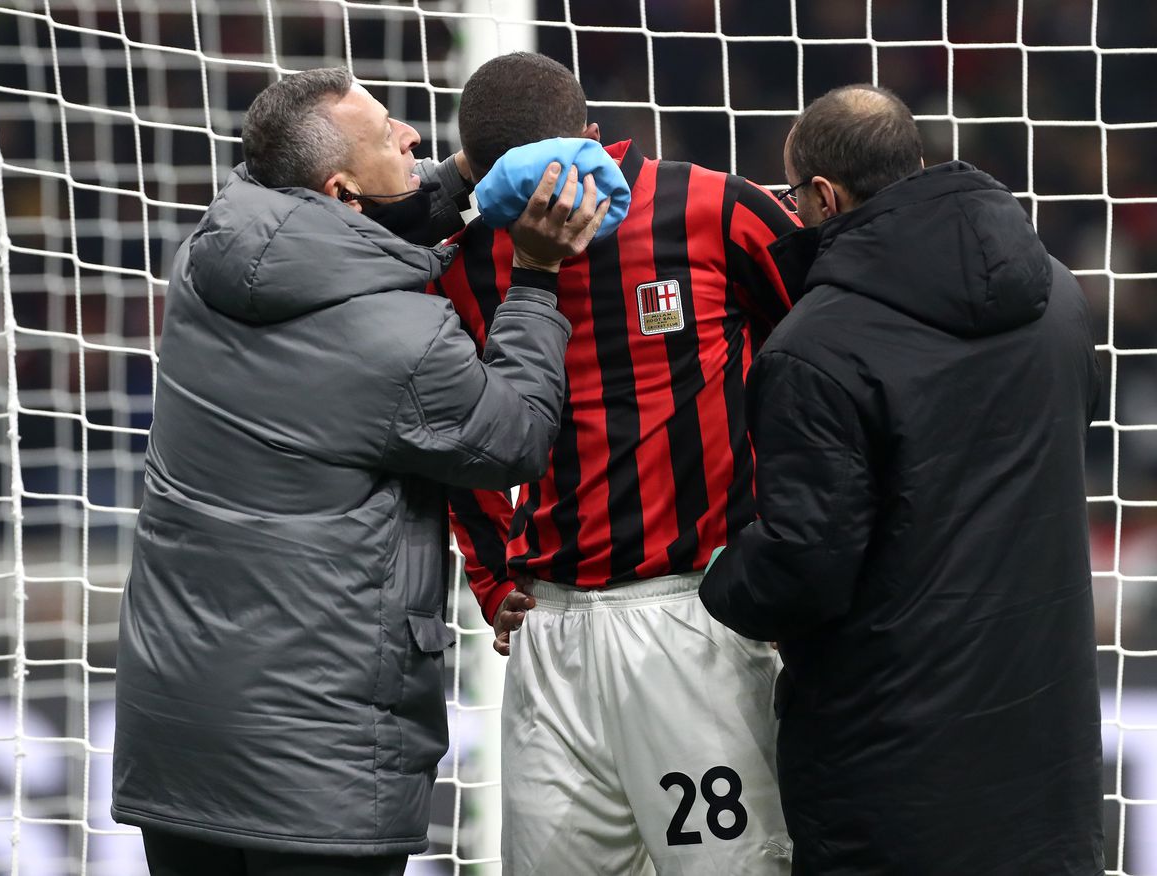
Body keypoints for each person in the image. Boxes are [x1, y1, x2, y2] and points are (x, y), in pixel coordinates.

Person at [111, 67, 608, 876]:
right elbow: (512, 436)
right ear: (343, 190)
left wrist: (464, 180)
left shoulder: (207, 256)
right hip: (316, 759)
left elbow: (339, 241)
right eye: (388, 135)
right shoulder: (402, 341)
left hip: (177, 732)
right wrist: (537, 277)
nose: (413, 137)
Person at [700, 84, 1105, 875]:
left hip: (893, 761)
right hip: (1045, 741)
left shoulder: (812, 347)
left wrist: (720, 580)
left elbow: (805, 568)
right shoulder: (1057, 291)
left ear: (821, 195)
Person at [433, 52, 800, 875]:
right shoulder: (463, 263)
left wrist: (794, 551)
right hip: (551, 630)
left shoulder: (713, 209)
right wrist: (494, 579)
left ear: (598, 141)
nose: (540, 206)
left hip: (696, 615)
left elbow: (830, 363)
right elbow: (464, 442)